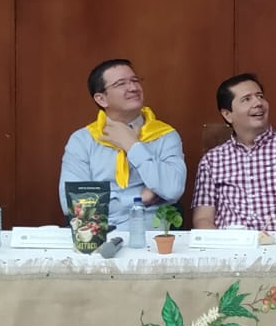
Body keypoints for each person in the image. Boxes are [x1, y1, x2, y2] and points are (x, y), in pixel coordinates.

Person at [191, 73, 276, 231]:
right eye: (247, 99)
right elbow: (202, 219)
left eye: (260, 96)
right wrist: (221, 250)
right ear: (228, 115)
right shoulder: (212, 160)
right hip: (231, 248)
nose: (258, 103)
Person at [58, 59, 185, 228]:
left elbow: (172, 189)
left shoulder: (165, 135)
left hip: (153, 236)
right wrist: (138, 200)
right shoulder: (83, 140)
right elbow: (73, 204)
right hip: (97, 236)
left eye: (135, 80)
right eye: (120, 84)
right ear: (102, 99)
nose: (133, 88)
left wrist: (132, 145)